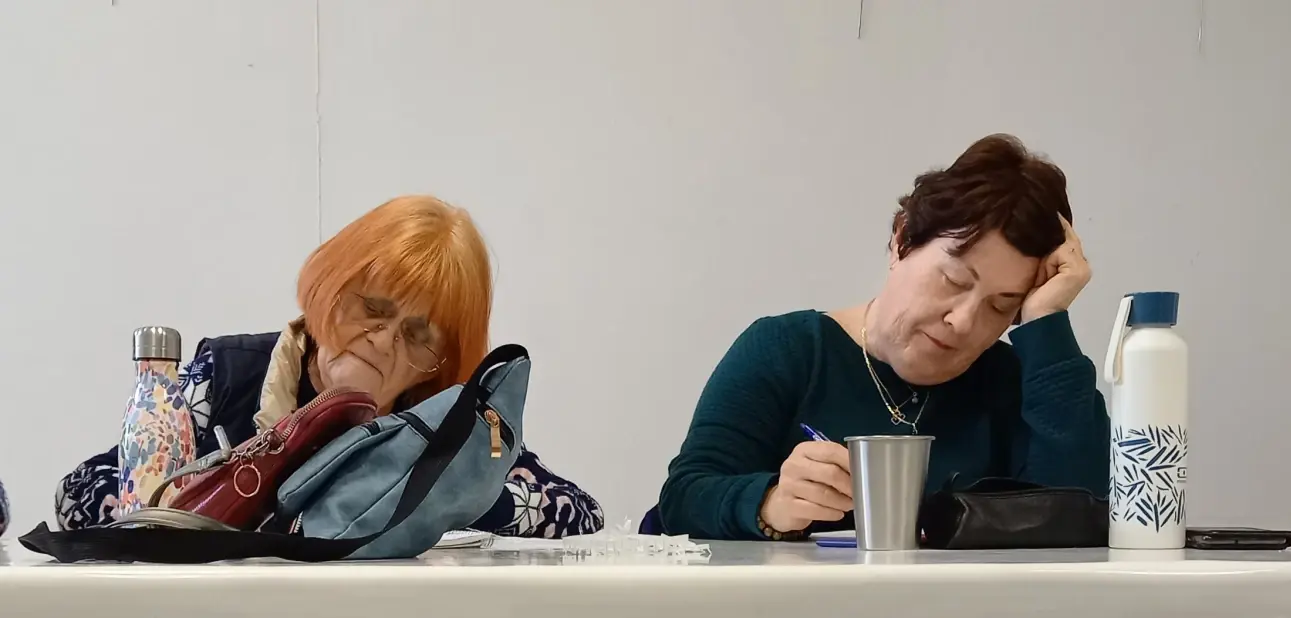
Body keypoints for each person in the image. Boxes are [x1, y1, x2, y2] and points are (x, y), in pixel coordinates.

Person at [56, 195, 604, 539]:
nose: (383, 340)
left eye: (418, 336)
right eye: (372, 308)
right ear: (329, 291)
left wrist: (452, 497)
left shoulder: (440, 425)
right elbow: (77, 495)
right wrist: (186, 499)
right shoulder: (227, 376)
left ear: (433, 369)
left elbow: (580, 512)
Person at [657, 134, 1107, 541]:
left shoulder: (1016, 382)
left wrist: (1047, 322)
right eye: (953, 280)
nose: (963, 321)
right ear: (902, 240)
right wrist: (769, 503)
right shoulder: (789, 349)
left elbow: (1086, 517)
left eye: (1000, 305)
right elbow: (684, 497)